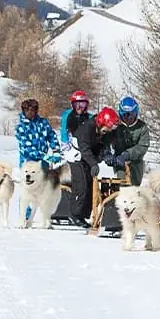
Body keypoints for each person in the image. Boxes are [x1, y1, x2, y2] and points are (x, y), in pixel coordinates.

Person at [56, 90, 104, 225]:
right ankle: (75, 213)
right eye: (77, 104)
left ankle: (85, 213)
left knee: (89, 182)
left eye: (82, 104)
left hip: (86, 154)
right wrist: (68, 151)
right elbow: (64, 136)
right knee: (80, 184)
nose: (79, 108)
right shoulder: (67, 116)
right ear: (72, 104)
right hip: (73, 154)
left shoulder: (89, 118)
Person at [102, 96, 151, 185]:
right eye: (125, 115)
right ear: (121, 114)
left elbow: (143, 146)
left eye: (131, 114)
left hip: (135, 163)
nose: (128, 118)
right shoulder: (116, 126)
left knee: (134, 187)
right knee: (122, 186)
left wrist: (127, 154)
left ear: (136, 113)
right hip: (119, 161)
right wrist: (107, 153)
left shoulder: (142, 127)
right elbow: (106, 139)